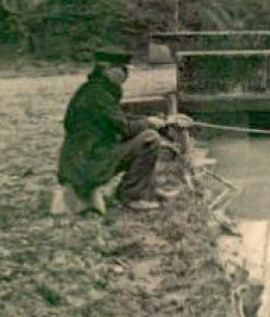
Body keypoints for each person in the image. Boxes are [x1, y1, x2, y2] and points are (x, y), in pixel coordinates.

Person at [56, 46, 183, 213]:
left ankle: (146, 190)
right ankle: (132, 196)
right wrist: (149, 123)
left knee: (144, 135)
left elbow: (118, 119)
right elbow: (125, 128)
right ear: (107, 70)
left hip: (83, 159)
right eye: (123, 70)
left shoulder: (95, 90)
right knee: (149, 139)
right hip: (87, 163)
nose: (126, 75)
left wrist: (157, 120)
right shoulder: (97, 96)